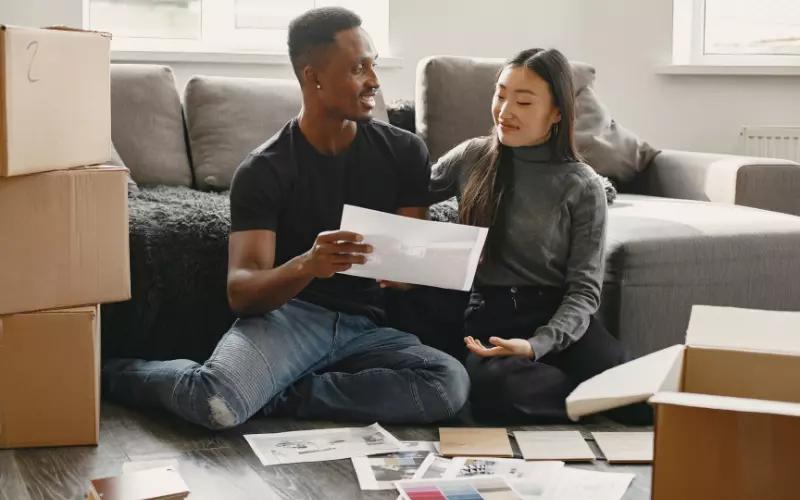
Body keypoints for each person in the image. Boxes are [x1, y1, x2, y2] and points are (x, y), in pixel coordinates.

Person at [102, 7, 470, 430]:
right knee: (216, 402)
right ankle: (114, 373)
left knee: (448, 383)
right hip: (289, 318)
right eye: (358, 68)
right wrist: (308, 264)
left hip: (365, 327)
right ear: (313, 77)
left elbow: (407, 268)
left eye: (373, 64)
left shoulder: (405, 152)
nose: (374, 80)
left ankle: (277, 395)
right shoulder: (265, 169)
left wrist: (420, 263)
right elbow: (242, 291)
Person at [428, 48, 650, 425]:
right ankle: (588, 398)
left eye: (524, 101)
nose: (505, 110)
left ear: (557, 113)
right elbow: (407, 197)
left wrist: (536, 346)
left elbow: (584, 291)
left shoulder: (583, 185)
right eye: (500, 95)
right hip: (492, 317)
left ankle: (588, 393)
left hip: (560, 316)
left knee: (642, 404)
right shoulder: (471, 157)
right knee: (500, 391)